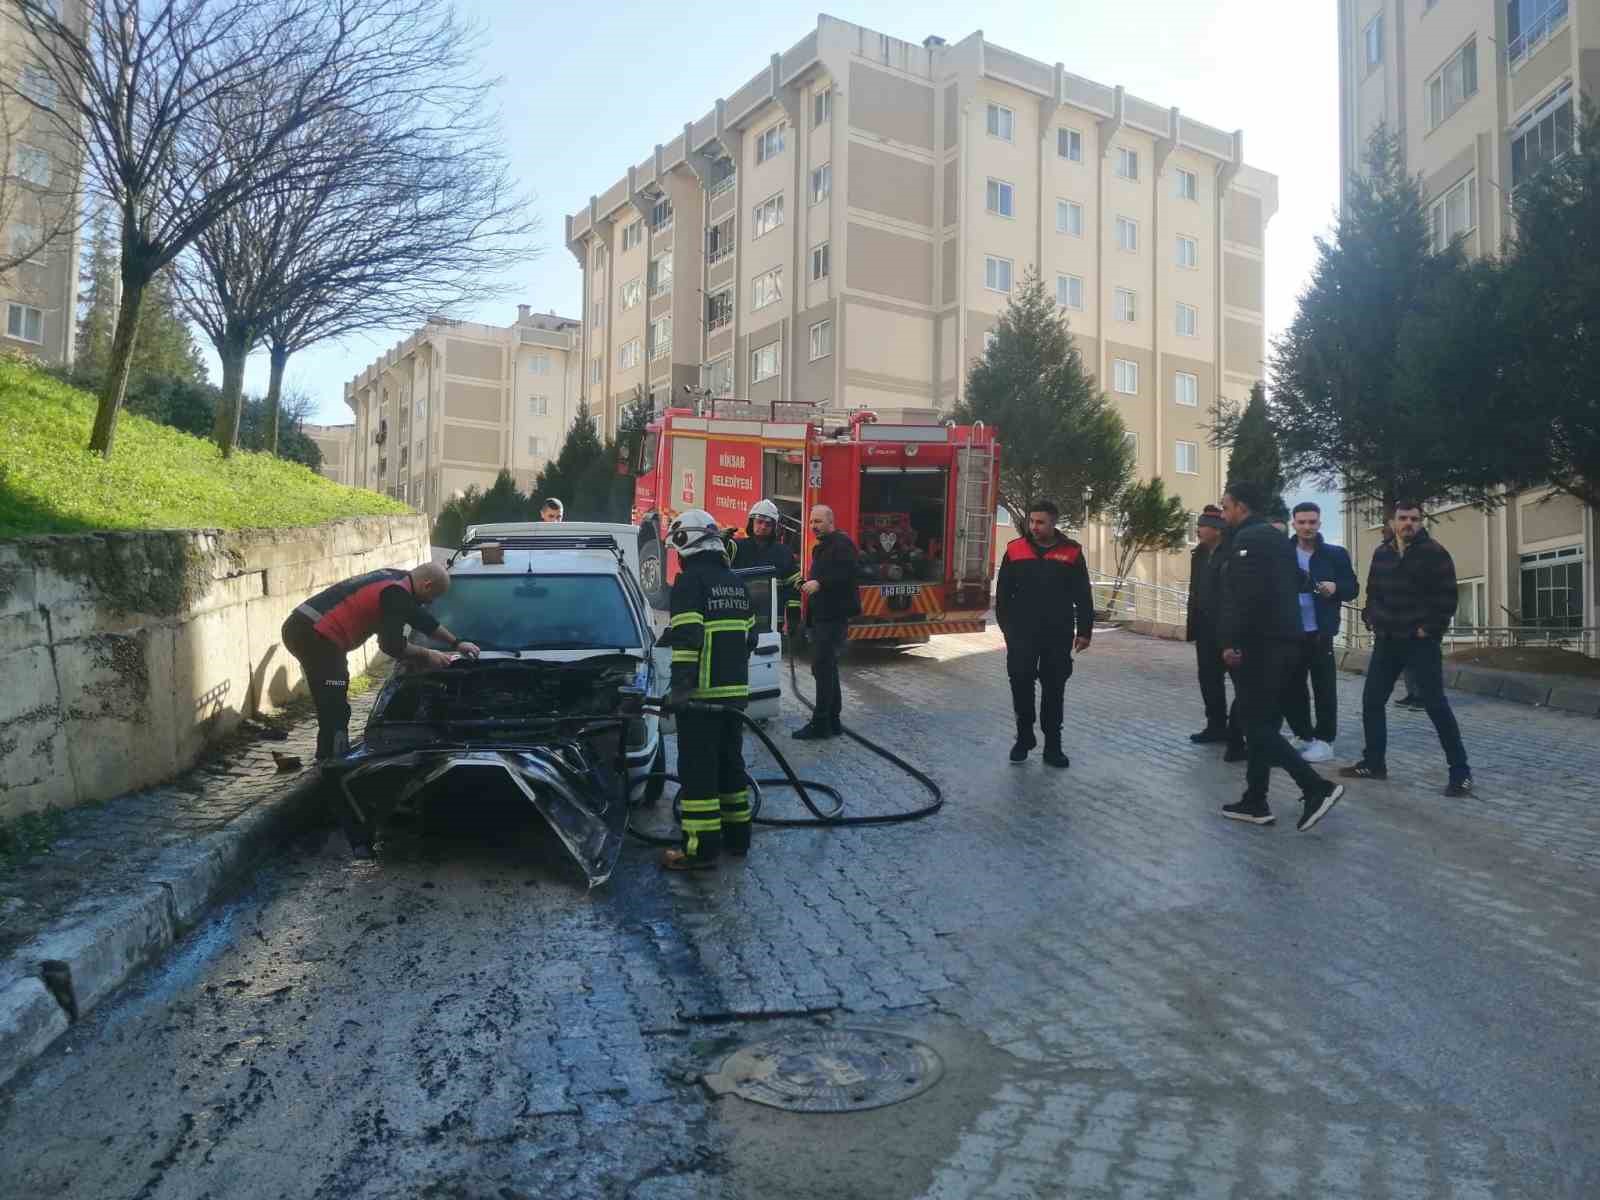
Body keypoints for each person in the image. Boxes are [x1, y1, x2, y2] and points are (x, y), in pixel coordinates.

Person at [1215, 481, 1345, 830]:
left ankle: (1316, 787)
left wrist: (1231, 642)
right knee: (1262, 723)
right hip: (1287, 643)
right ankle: (1255, 800)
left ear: (1240, 507)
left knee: (1256, 725)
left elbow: (1243, 598)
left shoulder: (1248, 541)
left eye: (1225, 507)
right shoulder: (1275, 539)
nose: (1222, 513)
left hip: (1262, 646)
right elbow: (1298, 581)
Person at [281, 562, 479, 764]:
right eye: (432, 597)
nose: (429, 602)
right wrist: (427, 654)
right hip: (313, 634)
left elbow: (420, 619)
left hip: (305, 627)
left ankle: (331, 756)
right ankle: (330, 764)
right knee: (334, 706)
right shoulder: (395, 593)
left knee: (333, 699)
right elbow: (391, 645)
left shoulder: (399, 580)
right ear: (427, 585)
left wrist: (456, 642)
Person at [1341, 501, 1473, 795]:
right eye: (1403, 518)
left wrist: (1429, 629)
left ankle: (1460, 772)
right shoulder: (1382, 553)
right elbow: (1372, 592)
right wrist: (1371, 618)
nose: (1408, 523)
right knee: (1372, 702)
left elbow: (1448, 598)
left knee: (1436, 706)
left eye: (1414, 519)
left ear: (1421, 522)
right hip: (1387, 640)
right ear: (1392, 521)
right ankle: (1374, 763)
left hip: (1420, 643)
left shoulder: (1435, 553)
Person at [658, 509, 757, 870]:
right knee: (731, 767)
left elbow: (688, 639)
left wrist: (681, 691)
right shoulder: (735, 582)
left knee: (698, 774)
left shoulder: (689, 584)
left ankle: (699, 850)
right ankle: (738, 838)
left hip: (701, 698)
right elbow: (750, 636)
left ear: (687, 543)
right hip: (735, 697)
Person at [996, 499, 1094, 767]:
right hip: (1021, 634)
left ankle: (1053, 746)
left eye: (1040, 522)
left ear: (1053, 524)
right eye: (1031, 521)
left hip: (1057, 634)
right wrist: (1008, 630)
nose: (1034, 527)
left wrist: (1084, 631)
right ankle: (1024, 737)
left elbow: (1083, 595)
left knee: (1054, 688)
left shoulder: (1071, 553)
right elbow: (1003, 595)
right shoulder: (1015, 550)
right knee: (1021, 684)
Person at [1283, 502, 1359, 763]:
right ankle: (1303, 735)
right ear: (1293, 523)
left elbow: (1353, 588)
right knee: (1293, 688)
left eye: (1312, 522)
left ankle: (1325, 741)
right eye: (1302, 522)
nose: (1307, 527)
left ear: (1319, 523)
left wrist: (1335, 587)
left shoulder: (1335, 554)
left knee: (1324, 688)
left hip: (1321, 632)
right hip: (1291, 632)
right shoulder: (1284, 553)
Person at [792, 504, 860, 740]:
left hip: (832, 619)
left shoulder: (842, 545)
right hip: (822, 618)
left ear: (831, 522)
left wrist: (820, 583)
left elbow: (847, 575)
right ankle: (833, 720)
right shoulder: (823, 547)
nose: (813, 526)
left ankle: (821, 724)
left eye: (818, 521)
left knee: (823, 669)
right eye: (811, 522)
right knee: (827, 669)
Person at [1186, 506, 1231, 744]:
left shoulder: (1231, 553)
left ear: (1216, 530)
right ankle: (1215, 726)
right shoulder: (1200, 554)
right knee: (1209, 679)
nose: (1198, 530)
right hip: (1204, 628)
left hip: (1228, 628)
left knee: (1240, 681)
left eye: (1202, 526)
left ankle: (1238, 729)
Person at [732, 499, 801, 635]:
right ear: (751, 523)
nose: (763, 526)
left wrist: (793, 619)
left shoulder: (783, 552)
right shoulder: (736, 547)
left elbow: (793, 588)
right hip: (741, 618)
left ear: (774, 527)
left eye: (768, 524)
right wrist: (720, 541)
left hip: (773, 622)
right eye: (759, 522)